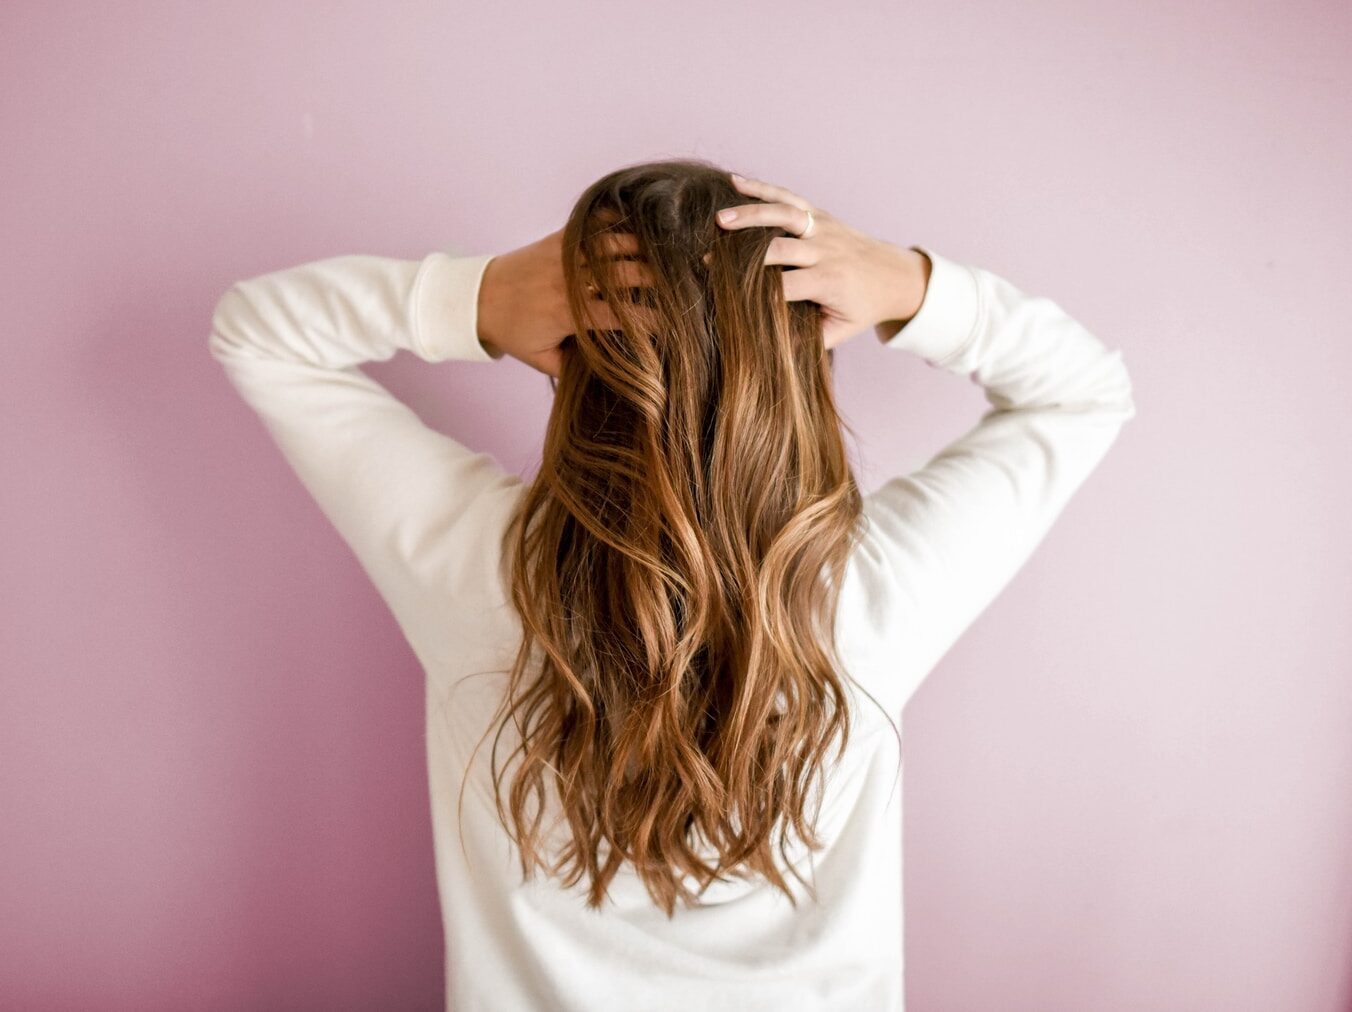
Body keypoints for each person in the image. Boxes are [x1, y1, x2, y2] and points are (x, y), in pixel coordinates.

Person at [208, 158, 1135, 1011]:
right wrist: (908, 286)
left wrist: (479, 297)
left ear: (570, 355)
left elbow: (258, 332)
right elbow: (1085, 391)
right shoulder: (867, 596)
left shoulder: (481, 572)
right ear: (805, 366)